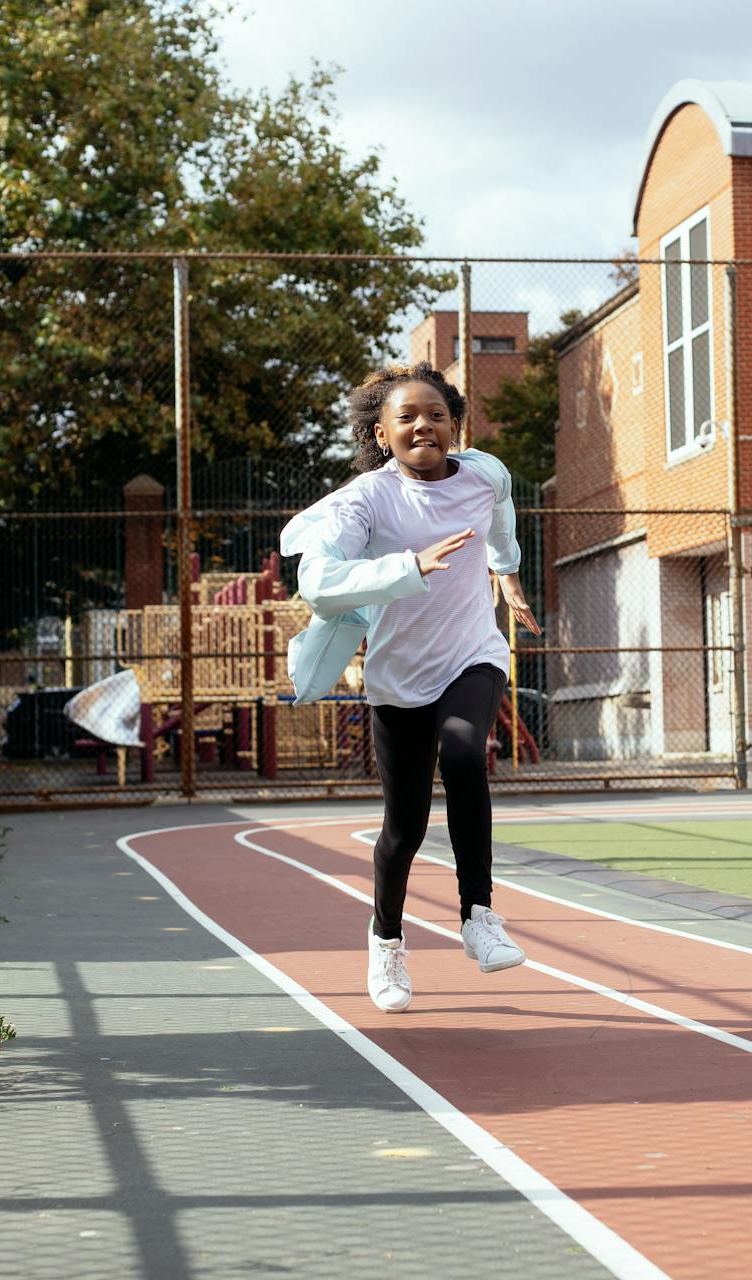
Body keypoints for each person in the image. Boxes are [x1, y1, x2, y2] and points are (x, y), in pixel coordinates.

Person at [281, 362, 540, 1013]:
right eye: (407, 417)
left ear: (456, 425)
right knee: (404, 829)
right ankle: (387, 938)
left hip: (471, 657)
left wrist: (507, 573)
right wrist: (407, 567)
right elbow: (317, 582)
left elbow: (501, 517)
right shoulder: (368, 498)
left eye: (436, 413)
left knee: (463, 753)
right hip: (398, 680)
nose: (423, 424)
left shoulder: (486, 474)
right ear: (382, 432)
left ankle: (479, 916)